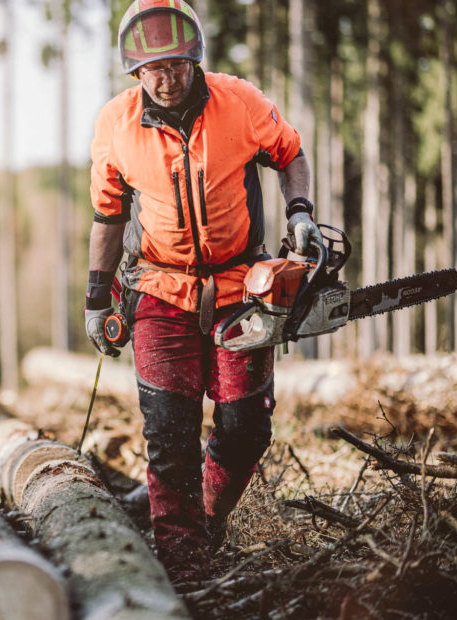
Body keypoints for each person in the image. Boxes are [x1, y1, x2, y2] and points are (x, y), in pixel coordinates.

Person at [83, 0, 320, 584]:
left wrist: (300, 212)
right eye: (154, 69)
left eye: (177, 66)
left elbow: (290, 154)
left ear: (195, 59)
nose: (167, 78)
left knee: (245, 428)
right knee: (169, 434)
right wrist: (96, 298)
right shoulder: (116, 124)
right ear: (135, 72)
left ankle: (205, 519)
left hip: (241, 282)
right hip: (159, 287)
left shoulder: (238, 102)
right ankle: (183, 565)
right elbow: (107, 217)